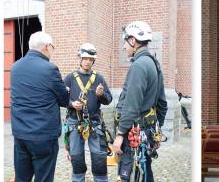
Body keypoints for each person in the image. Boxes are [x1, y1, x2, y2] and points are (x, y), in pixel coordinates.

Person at [10, 31, 70, 182]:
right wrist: (66, 91)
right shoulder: (50, 69)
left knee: (22, 178)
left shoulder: (15, 67)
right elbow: (64, 100)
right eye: (53, 47)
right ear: (47, 47)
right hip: (43, 137)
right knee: (43, 178)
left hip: (20, 135)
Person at [114, 21, 168, 182]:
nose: (124, 47)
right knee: (145, 172)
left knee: (129, 175)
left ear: (133, 41)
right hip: (147, 132)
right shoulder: (154, 64)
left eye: (125, 41)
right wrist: (157, 133)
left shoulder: (138, 66)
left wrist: (119, 134)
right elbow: (162, 104)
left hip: (134, 134)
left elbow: (131, 106)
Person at [63, 43, 113, 182]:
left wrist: (100, 96)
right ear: (80, 58)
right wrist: (72, 104)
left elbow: (108, 100)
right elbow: (60, 98)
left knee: (99, 158)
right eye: (85, 58)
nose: (87, 62)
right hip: (74, 122)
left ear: (93, 61)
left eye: (90, 59)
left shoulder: (99, 78)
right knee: (77, 158)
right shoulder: (70, 78)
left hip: (95, 123)